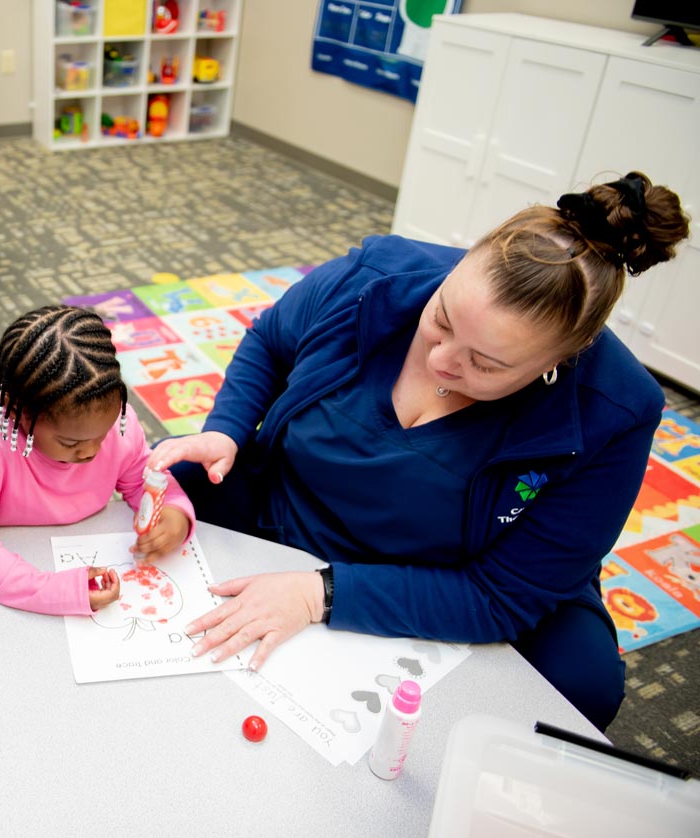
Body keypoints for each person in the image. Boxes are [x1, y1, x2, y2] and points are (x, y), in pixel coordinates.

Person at [147, 172, 690, 731]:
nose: (442, 362)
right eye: (441, 320)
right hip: (292, 504)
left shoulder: (616, 411)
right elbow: (271, 340)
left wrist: (319, 594)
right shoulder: (381, 273)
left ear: (563, 358)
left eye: (486, 364)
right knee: (165, 471)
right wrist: (228, 430)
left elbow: (502, 594)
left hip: (457, 571)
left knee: (582, 683)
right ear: (457, 266)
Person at [0, 305, 195, 615]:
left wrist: (175, 514)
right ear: (17, 409)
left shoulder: (119, 423)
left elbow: (148, 484)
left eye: (102, 435)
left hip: (84, 547)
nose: (91, 451)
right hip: (15, 565)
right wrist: (55, 591)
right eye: (71, 443)